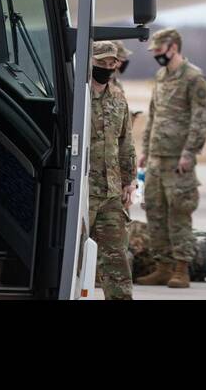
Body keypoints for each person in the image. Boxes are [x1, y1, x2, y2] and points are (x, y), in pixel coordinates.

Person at [137, 27, 206, 289]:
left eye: (159, 50)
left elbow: (200, 119)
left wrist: (189, 153)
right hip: (157, 157)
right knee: (155, 211)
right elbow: (153, 115)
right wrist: (145, 149)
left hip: (178, 159)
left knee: (179, 213)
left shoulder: (194, 78)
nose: (156, 55)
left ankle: (181, 269)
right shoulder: (160, 75)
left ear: (173, 47)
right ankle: (162, 266)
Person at [87, 41, 136, 299]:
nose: (107, 68)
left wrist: (130, 182)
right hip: (83, 192)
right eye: (101, 63)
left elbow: (126, 143)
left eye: (111, 64)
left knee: (116, 258)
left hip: (111, 192)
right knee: (73, 257)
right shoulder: (78, 96)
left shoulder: (118, 99)